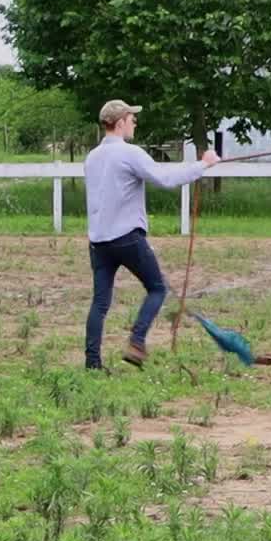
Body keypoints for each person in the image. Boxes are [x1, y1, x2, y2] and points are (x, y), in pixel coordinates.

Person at [83, 99, 219, 371]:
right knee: (156, 288)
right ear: (120, 122)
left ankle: (93, 364)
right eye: (132, 118)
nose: (135, 122)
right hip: (127, 237)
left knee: (100, 302)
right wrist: (203, 165)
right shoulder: (129, 153)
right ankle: (136, 341)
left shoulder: (92, 157)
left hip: (98, 241)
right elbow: (165, 179)